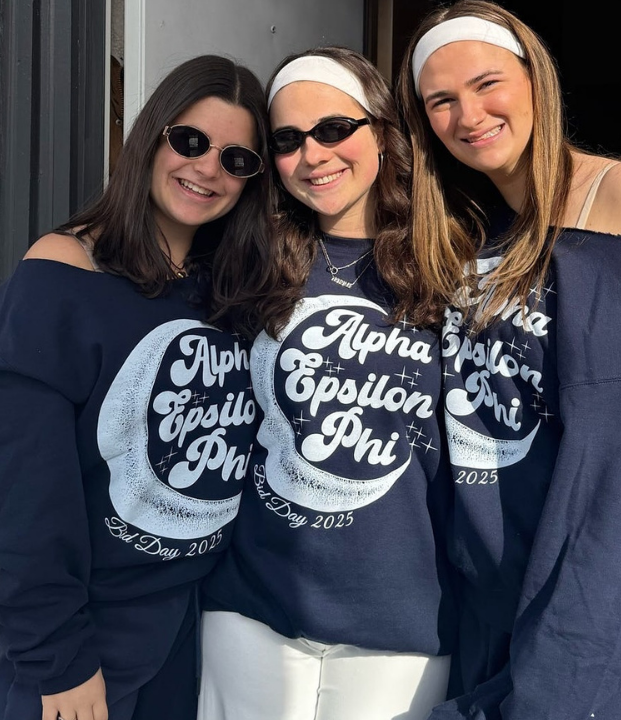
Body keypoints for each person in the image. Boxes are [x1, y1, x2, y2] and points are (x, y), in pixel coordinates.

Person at [394, 2, 621, 718]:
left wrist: (559, 680)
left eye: (487, 83)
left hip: (587, 616)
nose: (468, 115)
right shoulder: (477, 228)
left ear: (535, 79)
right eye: (440, 101)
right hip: (490, 598)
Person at [0, 54, 273, 720]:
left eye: (236, 160)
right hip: (87, 639)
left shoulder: (222, 286)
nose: (207, 169)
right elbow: (19, 491)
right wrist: (58, 657)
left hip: (191, 627)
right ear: (151, 137)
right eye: (190, 141)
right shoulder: (62, 278)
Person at [198, 46, 456, 720]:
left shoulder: (448, 263)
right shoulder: (250, 261)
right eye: (288, 140)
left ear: (383, 132)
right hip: (251, 610)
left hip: (401, 624)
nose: (312, 155)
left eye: (334, 129)